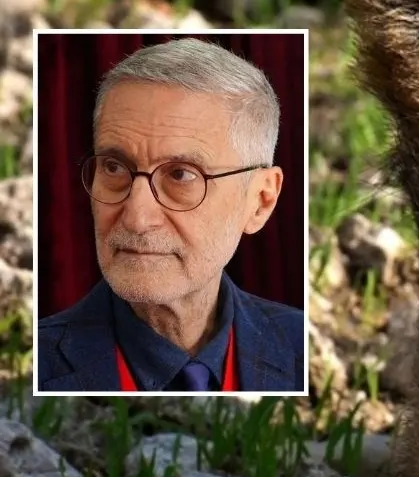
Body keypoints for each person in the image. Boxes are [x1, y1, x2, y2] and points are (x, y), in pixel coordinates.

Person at [37, 38, 304, 392]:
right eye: (115, 168)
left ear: (260, 201)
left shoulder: (305, 353)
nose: (136, 217)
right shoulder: (35, 365)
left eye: (181, 175)